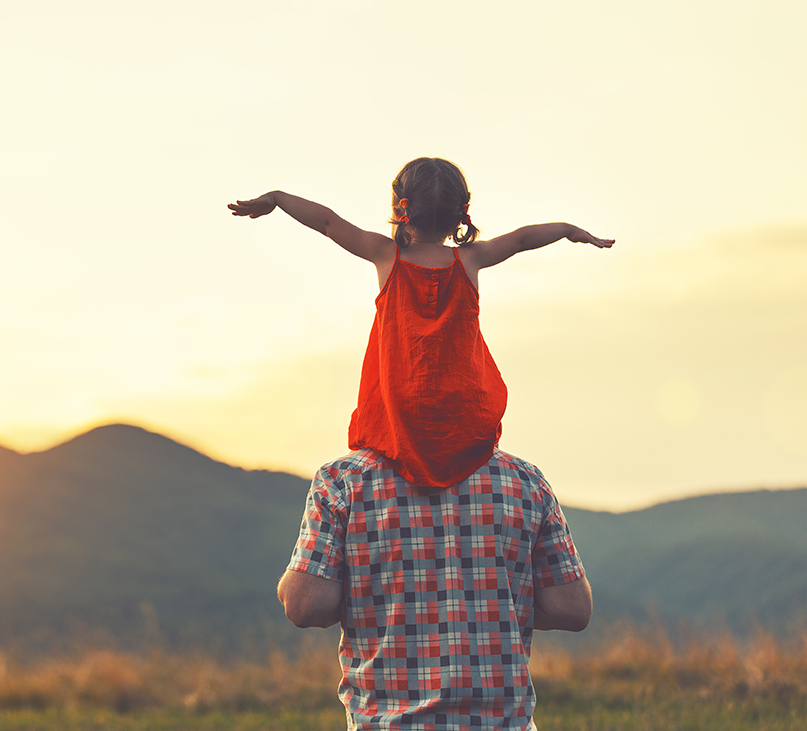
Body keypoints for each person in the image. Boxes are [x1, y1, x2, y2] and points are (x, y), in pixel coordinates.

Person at [228, 157, 613, 488]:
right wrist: (567, 230)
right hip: (463, 411)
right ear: (462, 212)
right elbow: (523, 238)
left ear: (401, 207)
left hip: (400, 413)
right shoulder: (470, 260)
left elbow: (327, 222)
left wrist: (277, 199)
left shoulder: (385, 255)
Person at [277, 450, 591, 730]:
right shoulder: (525, 482)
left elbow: (306, 604)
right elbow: (571, 608)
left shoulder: (343, 482)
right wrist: (497, 602)